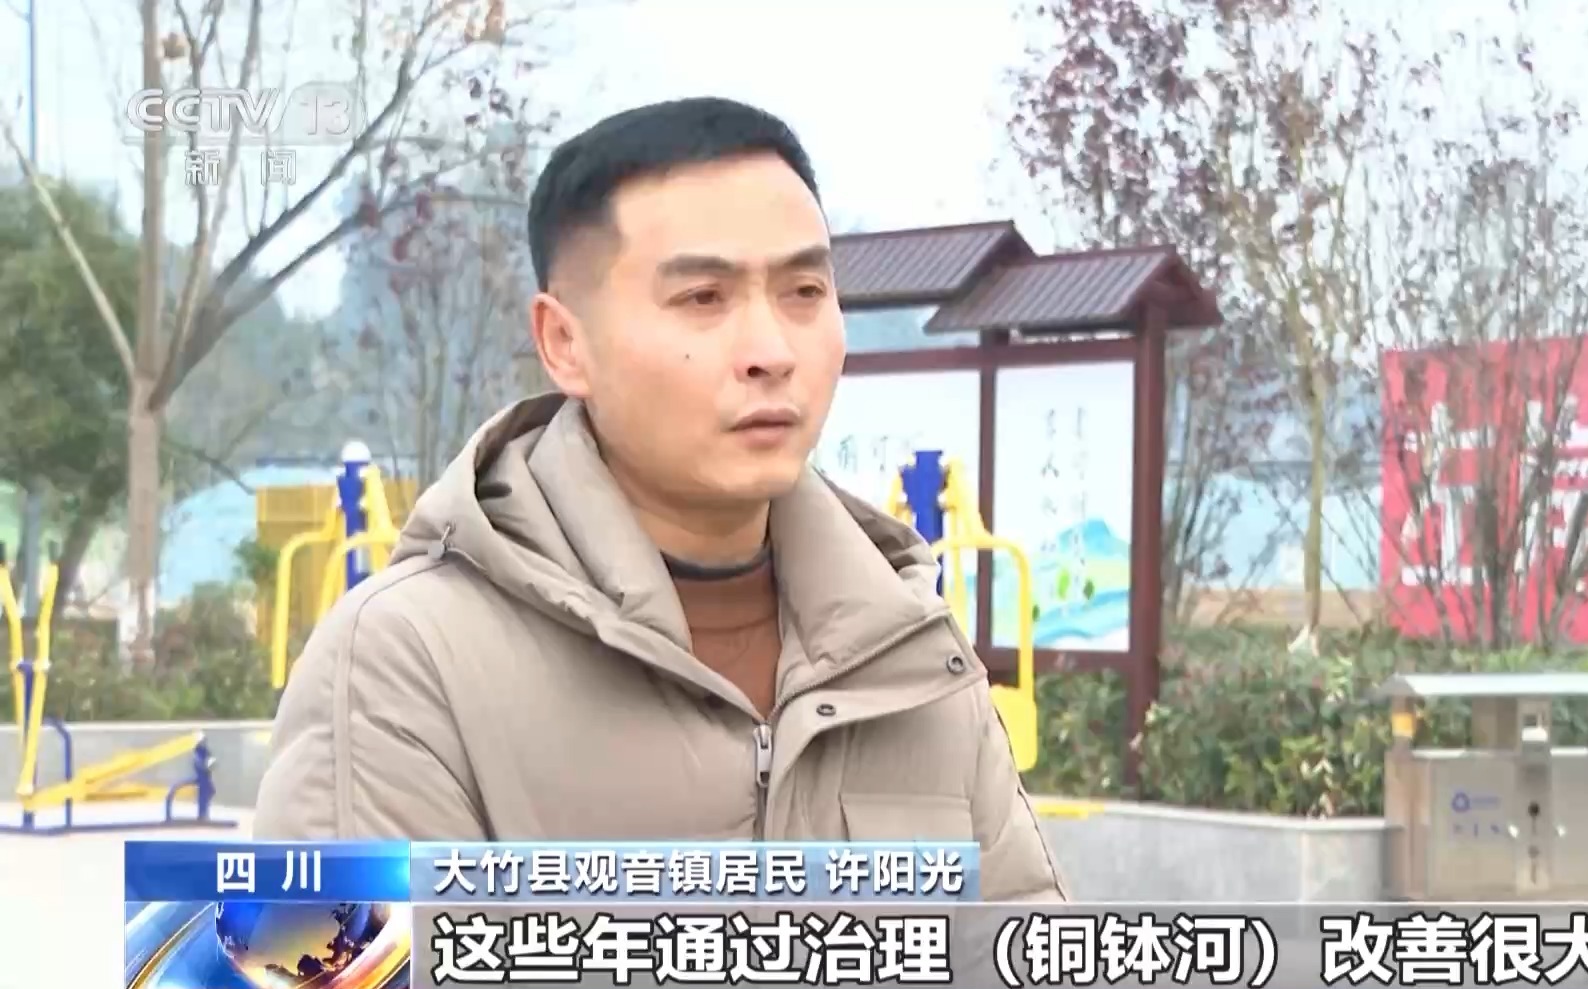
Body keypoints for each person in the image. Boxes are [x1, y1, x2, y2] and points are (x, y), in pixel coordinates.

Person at [252, 97, 1067, 902]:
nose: (771, 351)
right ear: (565, 343)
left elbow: (1023, 942)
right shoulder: (406, 663)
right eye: (703, 298)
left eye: (805, 291)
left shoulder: (909, 650)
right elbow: (340, 954)